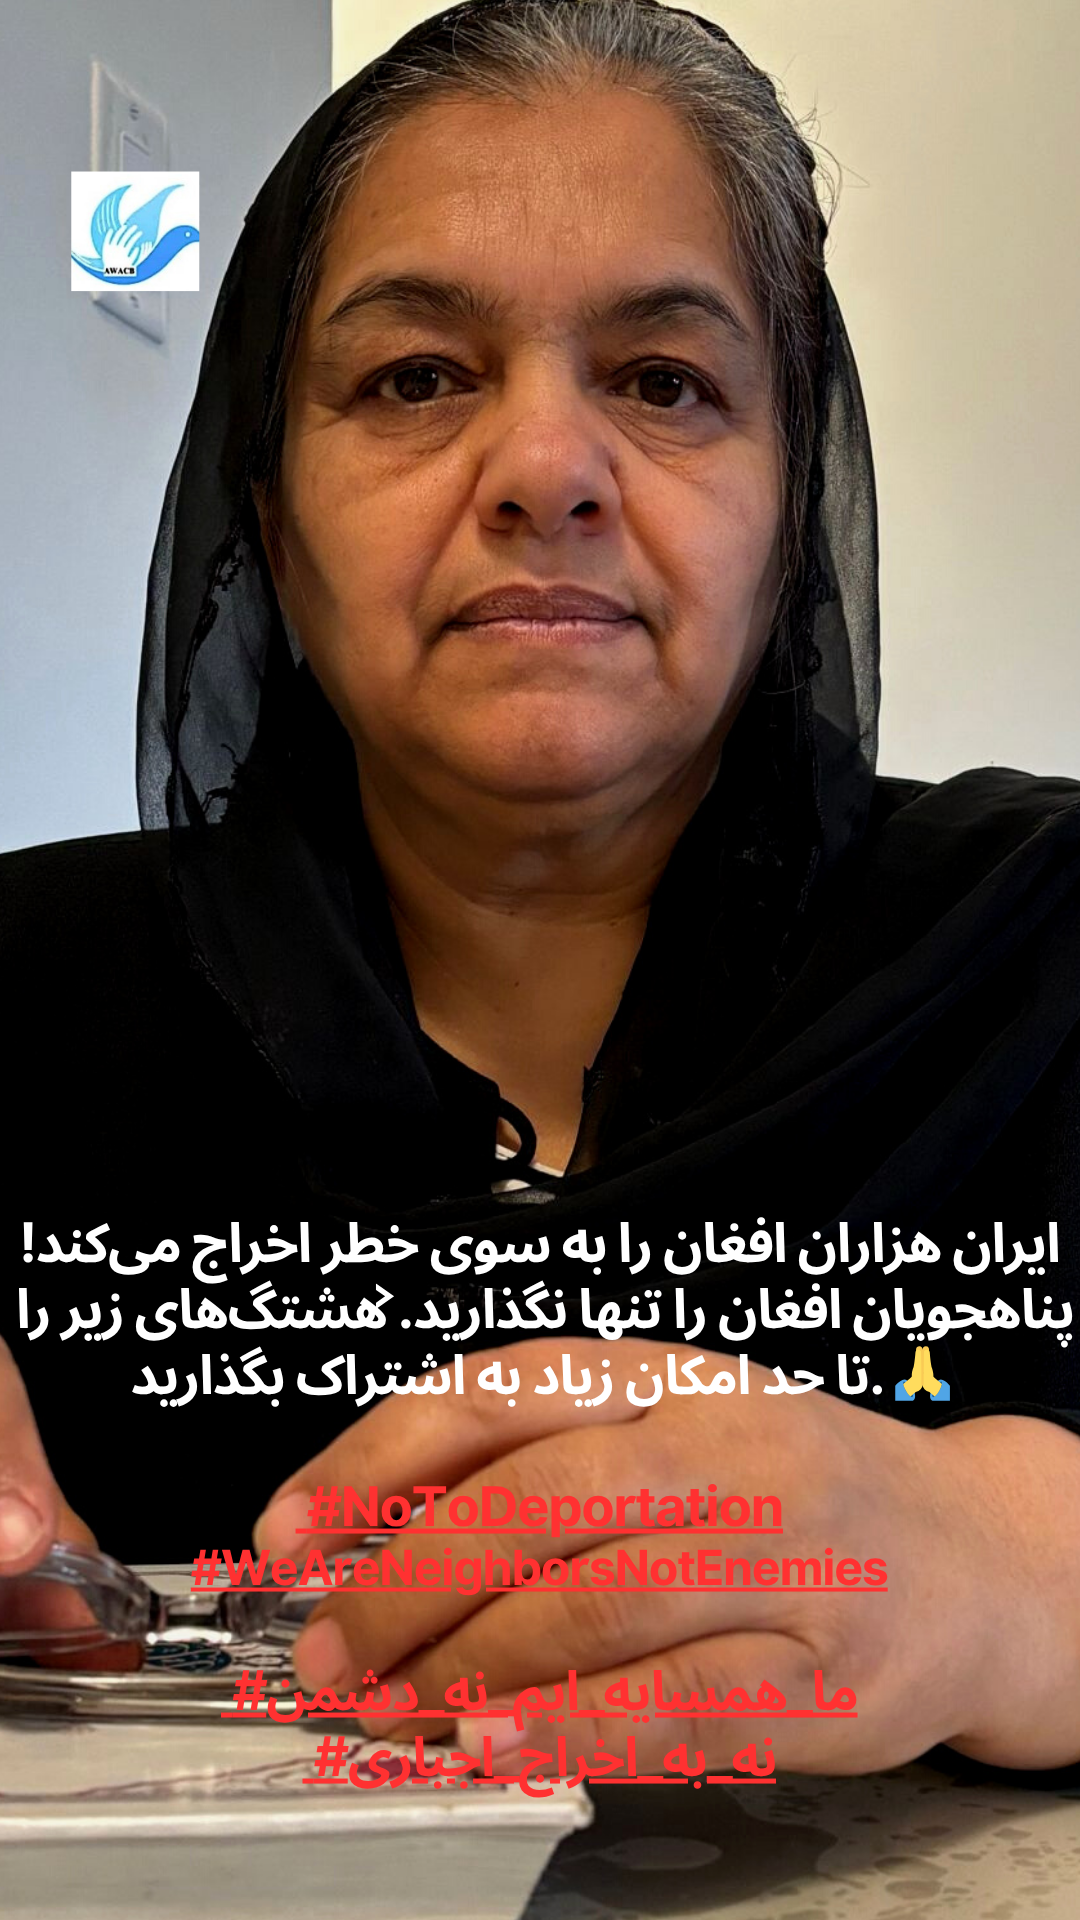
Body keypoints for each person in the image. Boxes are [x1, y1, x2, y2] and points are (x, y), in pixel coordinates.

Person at [2, 0, 1079, 1784]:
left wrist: (1013, 1563)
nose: (548, 474)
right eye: (417, 379)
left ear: (791, 512)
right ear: (271, 525)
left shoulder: (1045, 952)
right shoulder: (20, 994)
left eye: (664, 384)